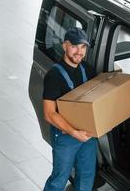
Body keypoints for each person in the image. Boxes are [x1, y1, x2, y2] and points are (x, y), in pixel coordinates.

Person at [42, 27, 97, 191]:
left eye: (83, 47)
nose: (79, 52)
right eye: (74, 46)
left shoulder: (88, 69)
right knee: (59, 179)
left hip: (88, 133)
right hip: (66, 135)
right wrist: (74, 133)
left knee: (86, 175)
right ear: (65, 45)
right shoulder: (54, 76)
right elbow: (49, 114)